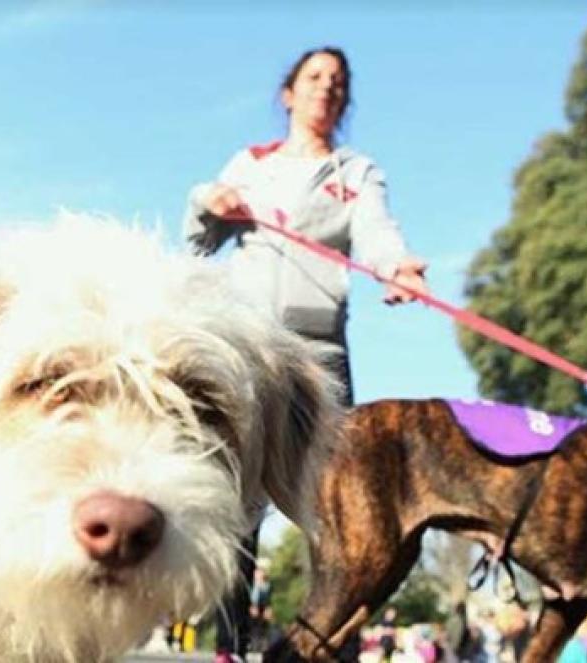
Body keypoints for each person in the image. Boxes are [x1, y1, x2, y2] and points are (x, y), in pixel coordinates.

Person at [183, 46, 428, 661]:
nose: (327, 88)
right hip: (252, 344)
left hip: (321, 354)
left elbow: (376, 230)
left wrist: (396, 267)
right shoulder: (253, 163)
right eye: (315, 78)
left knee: (336, 502)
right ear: (288, 92)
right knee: (239, 498)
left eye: (338, 82)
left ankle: (330, 645)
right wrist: (209, 201)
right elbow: (198, 240)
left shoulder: (356, 171)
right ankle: (231, 646)